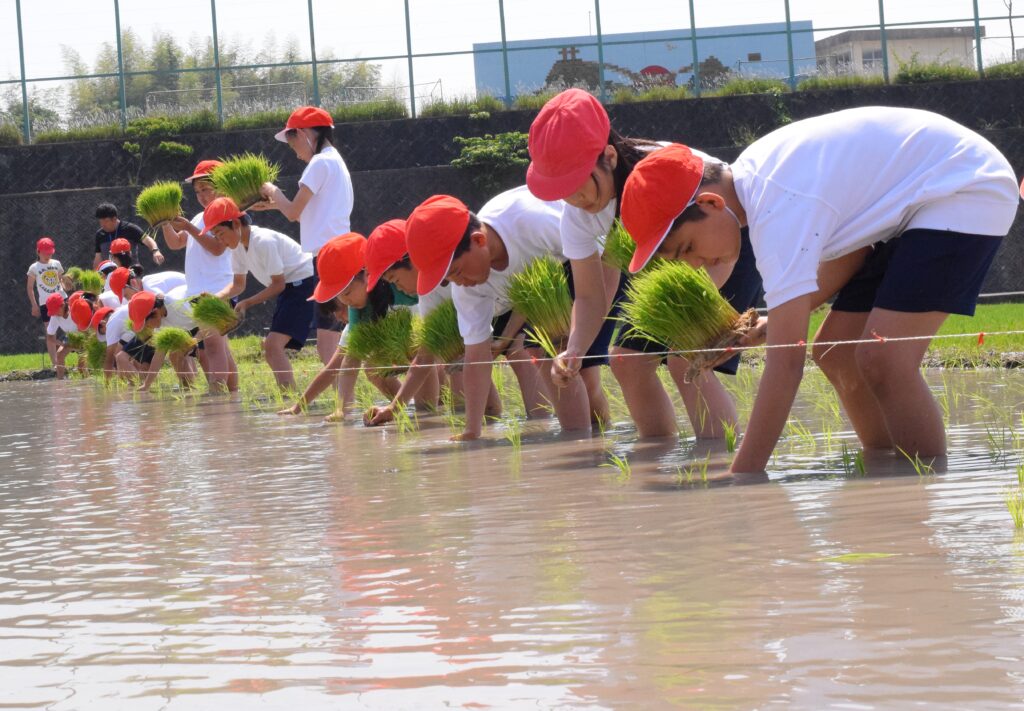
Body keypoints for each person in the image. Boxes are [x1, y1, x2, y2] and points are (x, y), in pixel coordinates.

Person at [619, 107, 1020, 478]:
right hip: (908, 206)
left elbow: (786, 363)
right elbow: (851, 251)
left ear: (709, 202)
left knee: (884, 357)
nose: (696, 263)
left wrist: (744, 474)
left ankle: (921, 491)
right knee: (835, 352)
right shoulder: (758, 183)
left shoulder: (775, 204)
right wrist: (767, 326)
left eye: (687, 248)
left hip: (963, 186)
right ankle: (884, 470)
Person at [526, 88, 763, 439]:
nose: (572, 199)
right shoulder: (578, 216)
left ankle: (722, 464)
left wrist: (692, 319)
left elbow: (715, 234)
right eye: (560, 190)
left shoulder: (665, 171)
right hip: (667, 266)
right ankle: (658, 458)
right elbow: (592, 295)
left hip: (723, 242)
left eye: (577, 184)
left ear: (607, 157)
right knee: (627, 360)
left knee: (687, 355)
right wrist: (575, 349)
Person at [406, 188, 617, 442]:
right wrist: (472, 430)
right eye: (449, 279)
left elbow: (605, 255)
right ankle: (583, 448)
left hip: (596, 261)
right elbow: (476, 358)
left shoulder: (532, 222)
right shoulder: (467, 289)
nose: (458, 284)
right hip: (545, 287)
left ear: (479, 241)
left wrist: (585, 335)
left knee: (584, 372)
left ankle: (595, 446)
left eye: (457, 271)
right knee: (551, 361)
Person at [278, 229, 424, 421]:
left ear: (366, 274)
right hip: (415, 360)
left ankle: (427, 408)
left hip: (433, 354)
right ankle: (409, 408)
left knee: (426, 362)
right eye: (340, 296)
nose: (345, 303)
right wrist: (340, 410)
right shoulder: (358, 311)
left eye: (347, 292)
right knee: (372, 366)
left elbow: (428, 351)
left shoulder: (402, 290)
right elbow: (345, 364)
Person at [253, 106, 354, 364]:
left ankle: (343, 401)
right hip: (340, 253)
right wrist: (274, 203)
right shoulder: (334, 160)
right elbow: (307, 209)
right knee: (338, 334)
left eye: (292, 142)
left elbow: (293, 212)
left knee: (327, 341)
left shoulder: (319, 163)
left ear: (304, 133)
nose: (295, 152)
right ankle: (345, 398)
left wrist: (272, 191)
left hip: (329, 256)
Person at [206, 197, 316, 390]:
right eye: (216, 236)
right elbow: (238, 285)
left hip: (304, 283)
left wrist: (247, 303)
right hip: (291, 288)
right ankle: (289, 396)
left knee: (273, 347)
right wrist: (215, 298)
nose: (220, 241)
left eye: (221, 233)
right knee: (272, 347)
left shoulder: (263, 241)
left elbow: (278, 284)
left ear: (236, 223)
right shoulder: (237, 247)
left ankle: (289, 398)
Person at [159, 159, 238, 392]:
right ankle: (232, 395)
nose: (202, 195)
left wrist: (189, 228)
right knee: (218, 345)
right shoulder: (197, 217)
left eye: (206, 189)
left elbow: (217, 248)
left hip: (217, 288)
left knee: (213, 345)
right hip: (198, 291)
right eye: (197, 191)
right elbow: (175, 243)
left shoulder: (224, 209)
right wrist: (165, 222)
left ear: (220, 186)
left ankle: (217, 392)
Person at [130, 289, 200, 392]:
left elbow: (209, 323)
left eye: (146, 323)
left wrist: (194, 341)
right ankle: (188, 387)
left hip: (210, 316)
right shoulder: (160, 324)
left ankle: (218, 391)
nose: (148, 327)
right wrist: (146, 385)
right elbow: (158, 355)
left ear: (155, 312)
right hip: (193, 325)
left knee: (205, 352)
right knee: (174, 354)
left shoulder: (178, 305)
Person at [93, 203, 163, 268]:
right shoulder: (100, 234)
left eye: (106, 221)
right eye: (100, 222)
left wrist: (155, 251)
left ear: (114, 219)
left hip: (131, 274)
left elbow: (148, 239)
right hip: (110, 276)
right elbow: (98, 257)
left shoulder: (130, 229)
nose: (102, 225)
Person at [26, 237, 64, 328]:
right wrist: (34, 305)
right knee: (50, 332)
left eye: (50, 253)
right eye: (45, 253)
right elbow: (30, 287)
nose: (48, 256)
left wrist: (66, 284)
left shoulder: (57, 263)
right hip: (45, 303)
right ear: (38, 252)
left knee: (67, 327)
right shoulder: (34, 267)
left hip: (61, 300)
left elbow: (61, 281)